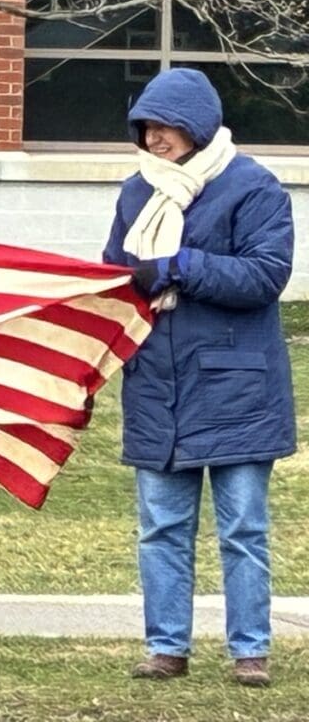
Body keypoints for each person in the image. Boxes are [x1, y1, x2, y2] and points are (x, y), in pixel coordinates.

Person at [103, 68, 295, 687]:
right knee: (161, 530)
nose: (154, 139)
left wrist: (182, 264)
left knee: (242, 529)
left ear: (198, 126)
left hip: (240, 388)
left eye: (164, 126)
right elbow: (115, 272)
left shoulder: (254, 187)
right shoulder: (137, 192)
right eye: (145, 128)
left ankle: (250, 653)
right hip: (158, 384)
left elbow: (266, 277)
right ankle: (166, 648)